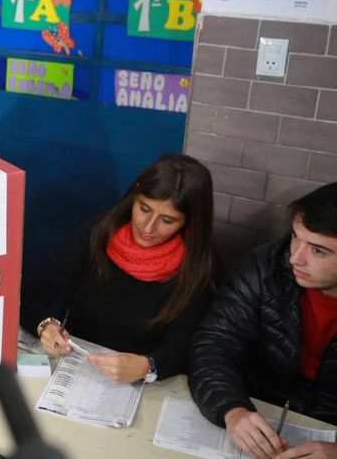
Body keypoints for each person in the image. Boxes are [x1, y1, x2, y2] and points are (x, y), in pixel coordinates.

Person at [21, 153, 217, 384]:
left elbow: (185, 351)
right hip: (77, 364)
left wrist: (149, 365)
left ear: (188, 222)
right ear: (134, 198)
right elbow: (33, 295)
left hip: (143, 383)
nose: (148, 227)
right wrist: (44, 325)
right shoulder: (97, 234)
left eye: (167, 220)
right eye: (144, 208)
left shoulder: (197, 270)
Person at [189, 182, 337, 459]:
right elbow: (215, 342)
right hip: (259, 406)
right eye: (295, 236)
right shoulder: (266, 264)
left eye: (319, 250)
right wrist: (232, 409)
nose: (296, 258)